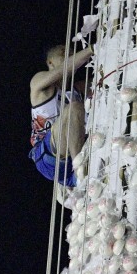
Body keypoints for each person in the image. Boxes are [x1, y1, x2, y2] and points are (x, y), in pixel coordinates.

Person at [29, 42, 92, 188]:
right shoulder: (39, 82)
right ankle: (80, 171)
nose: (69, 55)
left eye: (71, 53)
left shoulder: (78, 89)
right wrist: (90, 50)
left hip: (68, 164)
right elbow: (64, 69)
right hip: (46, 155)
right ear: (49, 62)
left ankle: (75, 181)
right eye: (63, 52)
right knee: (75, 108)